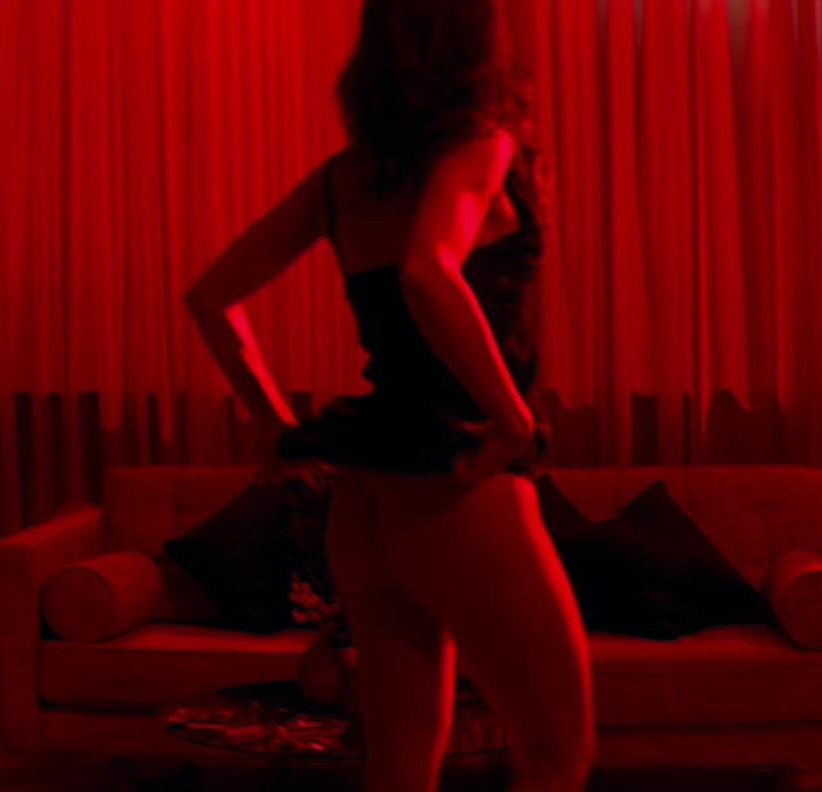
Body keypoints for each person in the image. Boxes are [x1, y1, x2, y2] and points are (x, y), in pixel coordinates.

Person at [182, 1, 594, 789]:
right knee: (557, 755)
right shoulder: (482, 145)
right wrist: (511, 421)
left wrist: (280, 428)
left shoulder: (343, 180)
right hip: (453, 483)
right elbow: (426, 271)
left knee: (401, 769)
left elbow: (210, 297)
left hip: (365, 498)